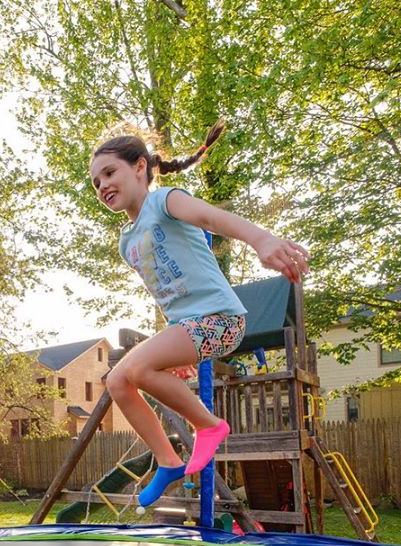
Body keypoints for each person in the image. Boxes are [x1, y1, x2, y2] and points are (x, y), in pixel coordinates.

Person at [89, 121, 309, 507]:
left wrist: (261, 239)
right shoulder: (127, 242)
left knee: (134, 370)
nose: (102, 185)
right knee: (118, 381)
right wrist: (174, 347)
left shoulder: (166, 200)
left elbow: (211, 219)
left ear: (139, 166)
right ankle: (168, 461)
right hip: (190, 325)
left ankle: (209, 425)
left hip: (221, 317)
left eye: (109, 173)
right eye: (95, 183)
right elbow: (166, 293)